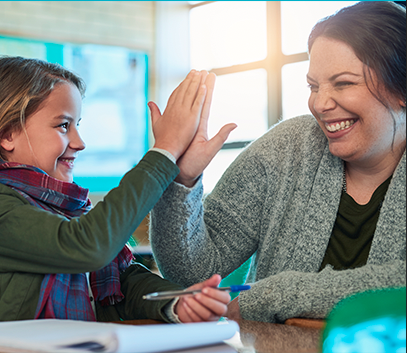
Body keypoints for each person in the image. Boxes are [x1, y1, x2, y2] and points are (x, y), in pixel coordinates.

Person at [149, 1, 406, 323]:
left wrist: (274, 294)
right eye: (313, 86)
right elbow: (193, 273)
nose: (320, 104)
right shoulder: (284, 150)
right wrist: (182, 180)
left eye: (344, 83)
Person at [0, 56, 236, 323]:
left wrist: (180, 301)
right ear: (8, 135)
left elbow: (123, 285)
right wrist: (165, 150)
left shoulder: (68, 207)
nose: (79, 142)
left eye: (77, 125)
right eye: (63, 125)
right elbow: (86, 246)